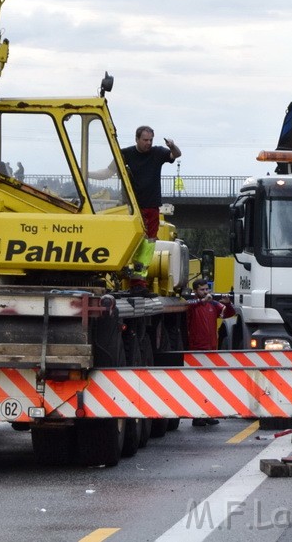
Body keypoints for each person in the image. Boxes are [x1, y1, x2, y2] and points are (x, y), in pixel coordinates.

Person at [91, 126, 181, 289]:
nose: (148, 143)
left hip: (151, 206)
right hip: (132, 207)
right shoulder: (125, 154)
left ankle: (139, 280)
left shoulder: (158, 152)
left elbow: (176, 154)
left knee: (148, 243)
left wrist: (172, 146)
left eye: (150, 140)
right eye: (145, 140)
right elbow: (107, 173)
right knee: (130, 239)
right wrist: (85, 173)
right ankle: (123, 271)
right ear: (137, 139)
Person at [186, 278, 235, 426]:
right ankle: (197, 416)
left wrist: (227, 303)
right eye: (202, 290)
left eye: (207, 289)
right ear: (195, 291)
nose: (206, 292)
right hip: (197, 348)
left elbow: (227, 313)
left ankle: (209, 414)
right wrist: (202, 301)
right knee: (198, 383)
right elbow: (188, 305)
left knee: (211, 382)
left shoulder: (213, 304)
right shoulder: (192, 304)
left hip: (211, 348)